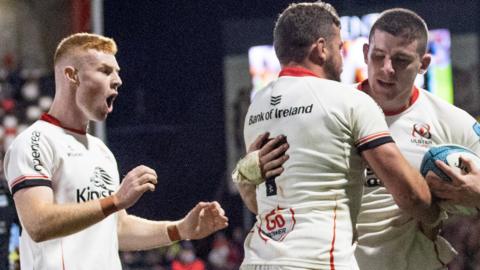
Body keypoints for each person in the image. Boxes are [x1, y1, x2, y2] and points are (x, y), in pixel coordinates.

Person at [237, 7, 480, 270]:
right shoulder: (334, 109)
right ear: (365, 54)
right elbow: (263, 200)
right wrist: (433, 214)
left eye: (401, 60)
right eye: (378, 57)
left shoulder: (452, 121)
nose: (387, 69)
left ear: (423, 65)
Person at [3, 33, 228, 270]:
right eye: (105, 70)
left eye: (117, 72)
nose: (118, 80)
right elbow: (38, 224)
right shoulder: (34, 142)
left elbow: (118, 228)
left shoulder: (101, 151)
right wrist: (116, 200)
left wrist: (180, 229)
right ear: (71, 75)